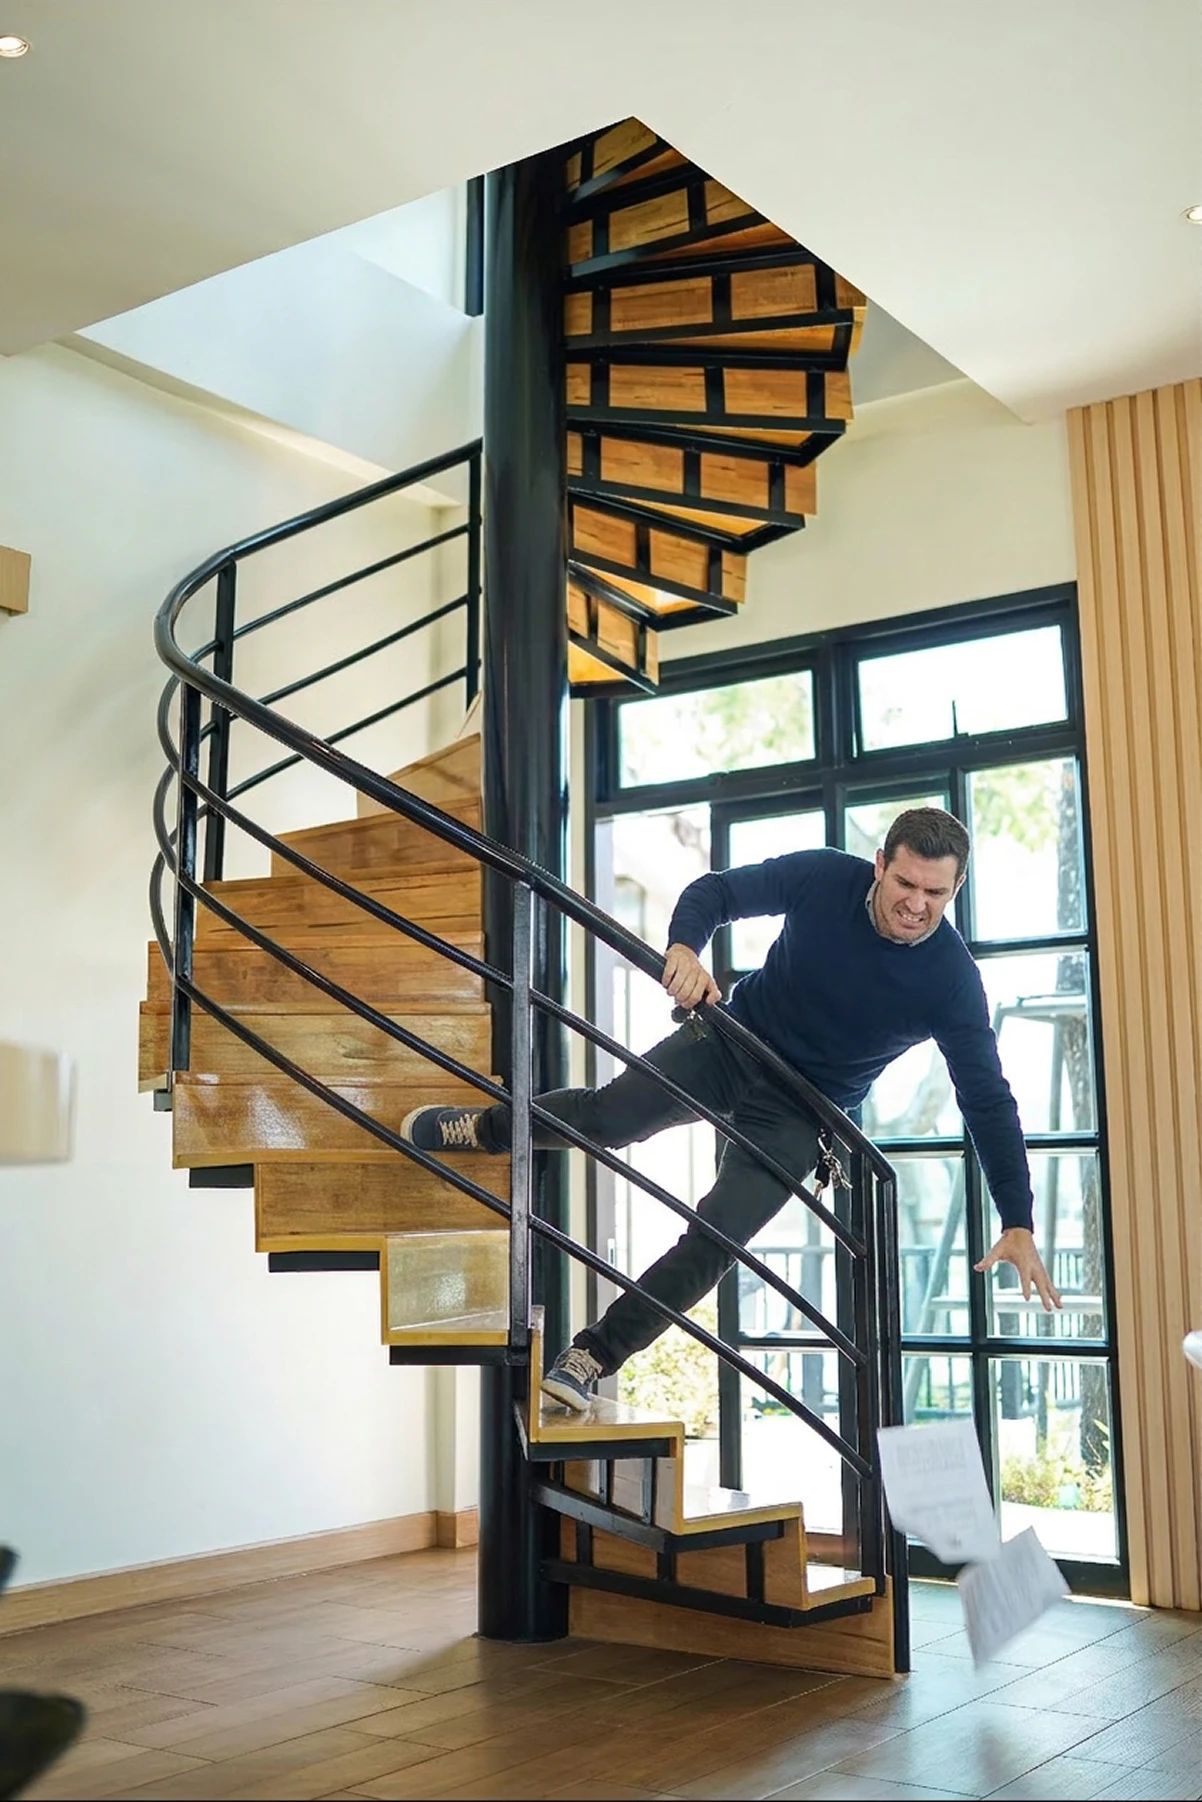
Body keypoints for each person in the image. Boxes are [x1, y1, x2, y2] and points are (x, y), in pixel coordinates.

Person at [403, 807, 1062, 1411]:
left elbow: (987, 1098)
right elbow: (715, 892)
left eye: (935, 894)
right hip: (732, 1041)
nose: (915, 905)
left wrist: (1017, 1217)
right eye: (906, 884)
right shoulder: (823, 876)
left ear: (955, 891)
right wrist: (686, 948)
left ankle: (593, 1354)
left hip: (805, 1111)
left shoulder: (950, 980)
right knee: (608, 1119)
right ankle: (488, 1128)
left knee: (716, 1241)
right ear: (881, 865)